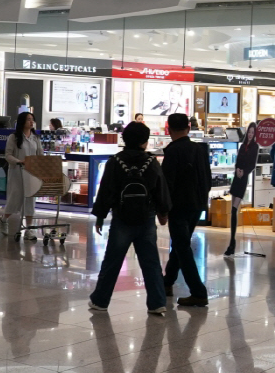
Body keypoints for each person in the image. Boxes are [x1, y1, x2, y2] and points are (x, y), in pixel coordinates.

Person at [89, 121, 172, 316]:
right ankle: (157, 303)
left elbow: (106, 191)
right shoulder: (151, 162)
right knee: (151, 262)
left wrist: (100, 216)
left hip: (121, 218)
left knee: (112, 261)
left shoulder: (115, 161)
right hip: (146, 217)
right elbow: (160, 189)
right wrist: (163, 212)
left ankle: (100, 300)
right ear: (144, 141)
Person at [161, 113, 210, 308]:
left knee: (181, 246)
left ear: (169, 129)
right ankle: (167, 282)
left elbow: (167, 183)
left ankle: (198, 292)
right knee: (180, 244)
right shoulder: (199, 149)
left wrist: (163, 209)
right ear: (189, 128)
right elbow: (207, 178)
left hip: (179, 206)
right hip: (197, 204)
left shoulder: (172, 151)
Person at [2, 111, 42, 236]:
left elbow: (40, 154)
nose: (31, 122)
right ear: (22, 121)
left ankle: (29, 228)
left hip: (32, 173)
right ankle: (4, 219)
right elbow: (8, 155)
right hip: (17, 172)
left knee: (30, 199)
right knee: (15, 198)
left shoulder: (35, 138)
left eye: (32, 119)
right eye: (28, 119)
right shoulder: (13, 138)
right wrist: (19, 161)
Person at [224, 124, 260, 257]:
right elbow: (238, 160)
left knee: (234, 209)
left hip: (243, 179)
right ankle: (231, 242)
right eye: (249, 132)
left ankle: (232, 242)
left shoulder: (255, 147)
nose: (250, 134)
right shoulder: (242, 146)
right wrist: (237, 169)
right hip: (236, 177)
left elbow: (252, 165)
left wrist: (243, 172)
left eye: (252, 132)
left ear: (255, 134)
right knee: (232, 209)